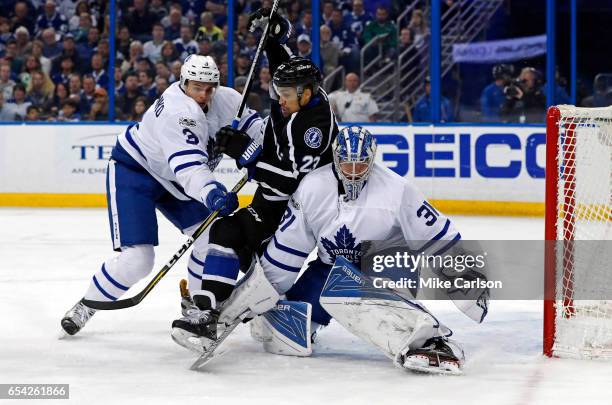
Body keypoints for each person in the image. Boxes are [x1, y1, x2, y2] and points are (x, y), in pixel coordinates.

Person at [213, 126, 488, 375]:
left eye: (360, 163)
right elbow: (286, 255)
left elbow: (437, 235)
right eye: (347, 163)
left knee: (345, 287)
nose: (353, 171)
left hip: (386, 263)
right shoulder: (311, 188)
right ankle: (313, 319)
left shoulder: (397, 189)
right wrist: (244, 303)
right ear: (335, 158)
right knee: (274, 331)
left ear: (371, 159)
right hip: (329, 268)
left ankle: (430, 339)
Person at [170, 8, 339, 352]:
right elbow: (284, 70)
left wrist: (246, 153)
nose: (280, 100)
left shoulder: (311, 126)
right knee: (226, 231)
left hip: (299, 209)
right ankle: (208, 311)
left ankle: (295, 316)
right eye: (279, 92)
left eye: (287, 96)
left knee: (270, 264)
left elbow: (291, 181)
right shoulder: (297, 96)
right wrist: (274, 38)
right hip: (272, 201)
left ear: (306, 95)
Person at [60, 55, 262, 336]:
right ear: (184, 82)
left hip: (175, 180)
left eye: (209, 87)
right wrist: (212, 192)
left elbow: (257, 130)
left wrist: (262, 154)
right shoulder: (179, 113)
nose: (204, 94)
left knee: (213, 235)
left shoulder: (226, 99)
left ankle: (197, 305)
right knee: (138, 260)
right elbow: (190, 168)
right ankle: (88, 304)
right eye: (196, 87)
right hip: (137, 171)